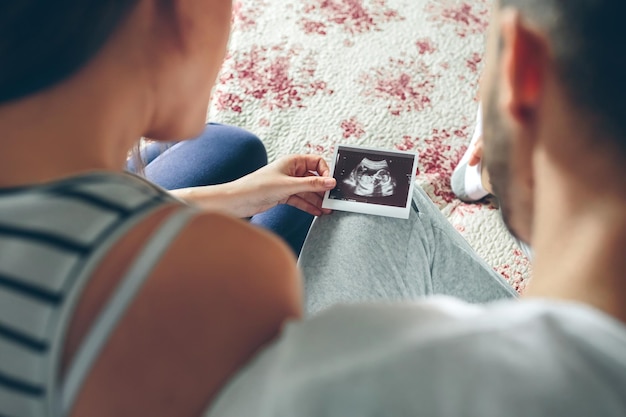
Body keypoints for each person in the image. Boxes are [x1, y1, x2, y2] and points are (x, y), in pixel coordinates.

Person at [205, 0, 626, 416]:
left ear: (521, 72)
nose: (479, 88)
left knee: (362, 199)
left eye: (486, 60)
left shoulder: (323, 383)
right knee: (380, 195)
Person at [0, 1, 336, 416]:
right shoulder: (231, 278)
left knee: (231, 149)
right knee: (301, 213)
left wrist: (238, 195)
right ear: (178, 12)